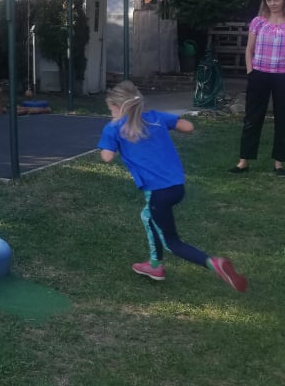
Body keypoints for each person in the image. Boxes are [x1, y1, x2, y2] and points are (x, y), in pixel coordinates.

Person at [97, 80, 248, 292]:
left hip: (157, 193)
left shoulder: (113, 128)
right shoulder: (155, 117)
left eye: (111, 109)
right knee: (147, 216)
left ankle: (213, 263)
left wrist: (112, 135)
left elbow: (106, 157)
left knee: (172, 242)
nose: (111, 113)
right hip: (177, 187)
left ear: (117, 107)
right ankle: (155, 265)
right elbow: (188, 126)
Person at [231, 0, 285, 176]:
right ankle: (243, 161)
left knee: (282, 119)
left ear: (283, 0)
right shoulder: (258, 22)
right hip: (259, 74)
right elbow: (249, 49)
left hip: (282, 76)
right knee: (252, 118)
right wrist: (250, 71)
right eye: (269, 0)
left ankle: (279, 163)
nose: (273, 3)